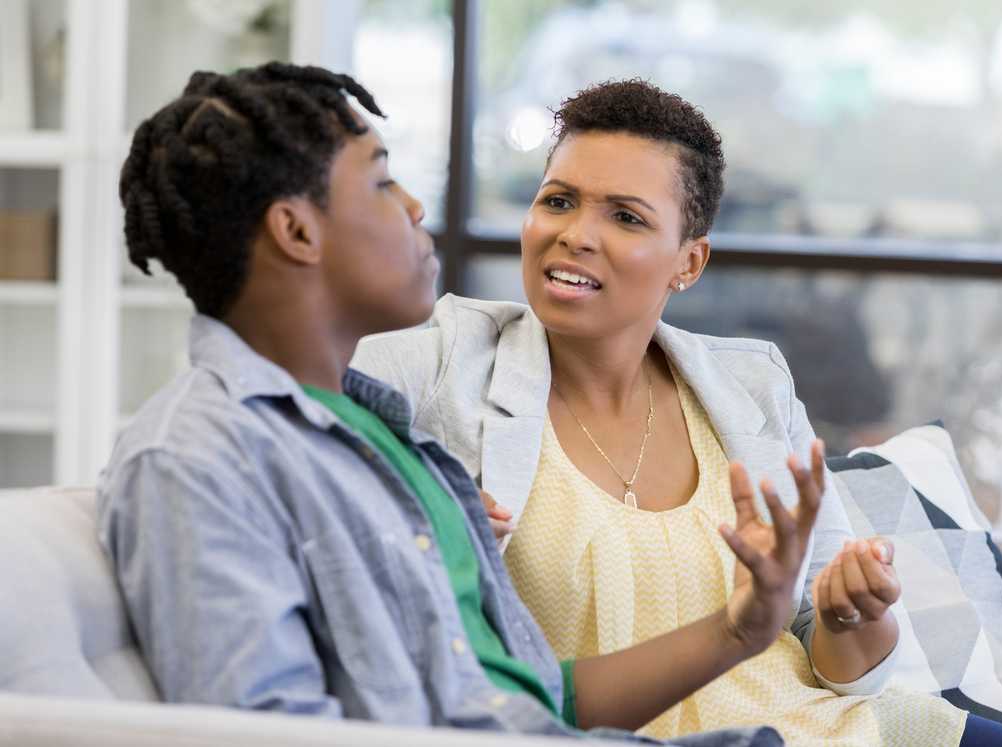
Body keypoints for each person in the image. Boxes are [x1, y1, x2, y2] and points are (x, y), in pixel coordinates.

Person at [95, 62, 830, 746]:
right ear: (297, 230)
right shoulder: (196, 459)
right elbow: (265, 732)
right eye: (382, 185)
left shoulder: (379, 438)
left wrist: (740, 629)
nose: (416, 205)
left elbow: (529, 703)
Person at [352, 80, 1002, 747]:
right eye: (559, 200)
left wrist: (854, 615)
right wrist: (407, 511)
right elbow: (285, 402)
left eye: (625, 216)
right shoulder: (446, 362)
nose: (575, 233)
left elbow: (835, 661)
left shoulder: (751, 384)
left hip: (834, 728)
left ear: (688, 262)